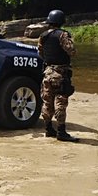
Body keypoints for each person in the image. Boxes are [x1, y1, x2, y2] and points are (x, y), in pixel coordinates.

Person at [38, 9, 78, 142]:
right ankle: (61, 131)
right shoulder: (63, 35)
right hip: (60, 73)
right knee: (60, 102)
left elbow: (40, 53)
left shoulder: (43, 36)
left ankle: (48, 128)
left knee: (47, 102)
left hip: (47, 73)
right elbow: (72, 51)